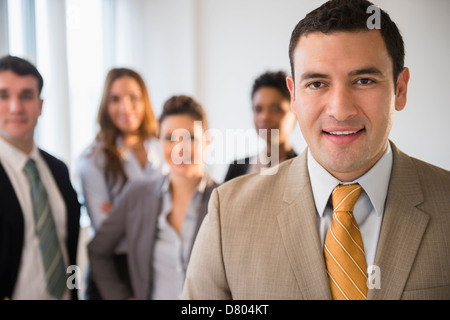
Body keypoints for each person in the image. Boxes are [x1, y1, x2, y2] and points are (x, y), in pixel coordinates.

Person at [182, 0, 450, 300]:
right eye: (317, 83)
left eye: (364, 80)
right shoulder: (228, 214)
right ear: (294, 95)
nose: (340, 110)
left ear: (400, 89)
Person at [88, 95, 219, 300]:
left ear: (208, 141)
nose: (179, 149)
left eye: (190, 137)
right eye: (169, 138)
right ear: (158, 141)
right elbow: (98, 250)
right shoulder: (137, 194)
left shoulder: (226, 200)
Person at [77, 67, 167, 299]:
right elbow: (108, 230)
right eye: (115, 99)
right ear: (105, 106)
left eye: (133, 98)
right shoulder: (92, 159)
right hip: (117, 272)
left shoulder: (162, 148)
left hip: (161, 267)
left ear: (144, 101)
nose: (125, 107)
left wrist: (125, 212)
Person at [0, 55, 81, 300]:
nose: (16, 107)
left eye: (26, 95)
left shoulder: (58, 169)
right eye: (4, 96)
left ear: (40, 105)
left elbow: (69, 248)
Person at [224, 70, 297, 182]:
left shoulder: (304, 171)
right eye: (258, 109)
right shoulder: (236, 169)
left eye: (275, 109)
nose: (265, 117)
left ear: (295, 113)